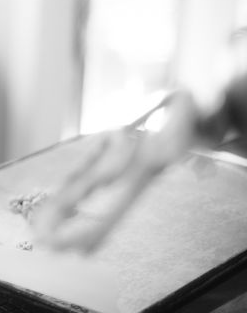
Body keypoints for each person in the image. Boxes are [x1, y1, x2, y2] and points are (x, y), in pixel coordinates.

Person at [32, 70, 247, 254]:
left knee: (107, 192)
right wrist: (133, 125)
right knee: (100, 186)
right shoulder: (187, 108)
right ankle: (63, 224)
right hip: (137, 154)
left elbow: (175, 108)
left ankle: (71, 229)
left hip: (143, 157)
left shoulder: (189, 108)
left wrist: (134, 126)